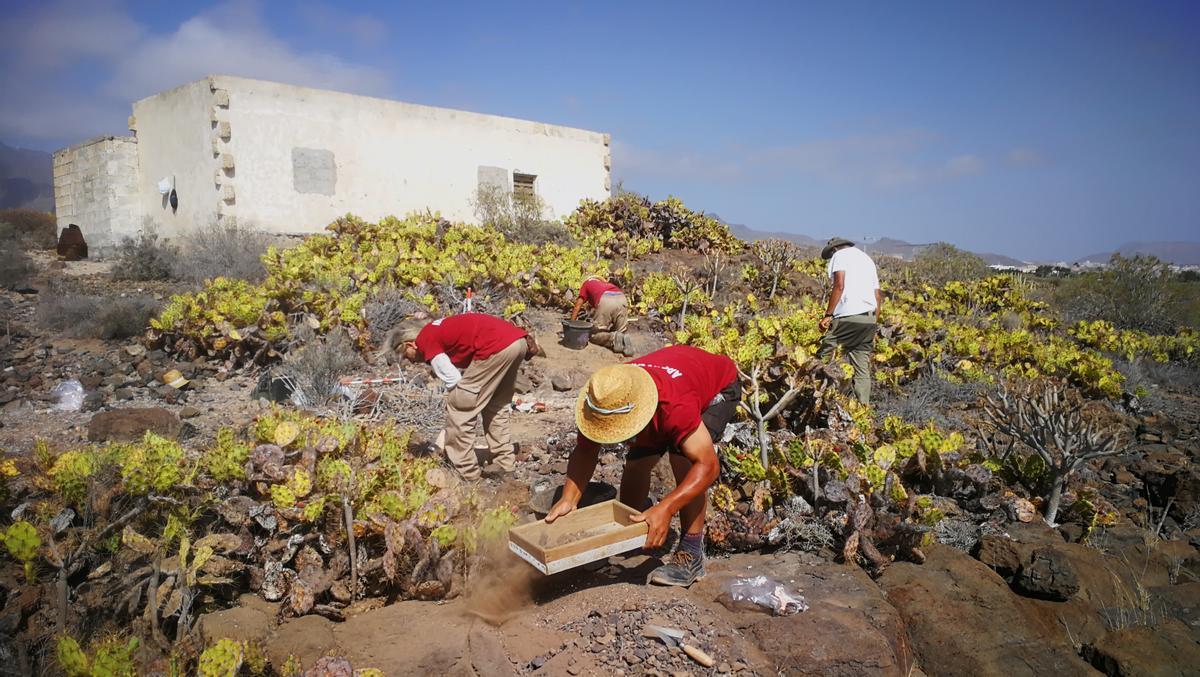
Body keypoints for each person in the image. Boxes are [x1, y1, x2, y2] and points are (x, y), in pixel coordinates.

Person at [545, 345, 740, 587]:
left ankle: (691, 553)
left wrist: (666, 509)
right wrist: (568, 499)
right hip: (670, 382)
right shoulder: (606, 395)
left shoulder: (674, 407)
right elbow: (586, 449)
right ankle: (632, 529)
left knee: (683, 460)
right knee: (637, 462)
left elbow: (708, 466)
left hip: (716, 386)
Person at [391, 313, 533, 481]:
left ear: (410, 344)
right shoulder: (436, 329)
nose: (411, 361)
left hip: (496, 347)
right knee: (495, 406)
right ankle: (504, 464)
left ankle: (466, 472)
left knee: (460, 408)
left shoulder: (425, 339)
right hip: (517, 342)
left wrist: (460, 401)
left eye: (407, 356)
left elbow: (453, 378)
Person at [817, 237, 881, 404]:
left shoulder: (840, 256)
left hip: (847, 316)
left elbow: (839, 285)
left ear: (834, 250)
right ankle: (864, 409)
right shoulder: (867, 260)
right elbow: (877, 296)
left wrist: (828, 314)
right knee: (861, 367)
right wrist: (875, 324)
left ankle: (814, 397)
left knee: (823, 355)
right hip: (869, 319)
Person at [571, 275, 633, 356]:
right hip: (622, 298)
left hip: (606, 299)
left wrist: (571, 324)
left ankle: (613, 338)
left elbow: (577, 306)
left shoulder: (586, 284)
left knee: (594, 335)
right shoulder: (607, 285)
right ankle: (623, 340)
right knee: (620, 331)